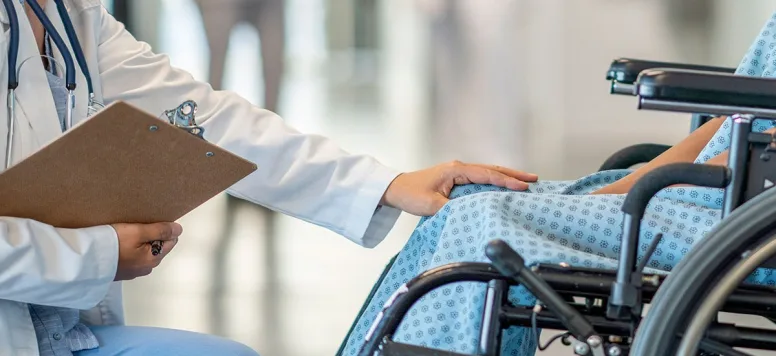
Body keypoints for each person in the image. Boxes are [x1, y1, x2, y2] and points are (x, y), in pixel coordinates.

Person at [0, 1, 539, 355]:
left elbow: (202, 117)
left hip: (56, 326)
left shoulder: (70, 14)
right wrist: (98, 254)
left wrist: (386, 183)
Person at [341, 10, 776, 356]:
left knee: (487, 215)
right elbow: (731, 115)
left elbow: (755, 147)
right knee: (471, 193)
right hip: (710, 193)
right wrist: (611, 193)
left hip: (735, 216)